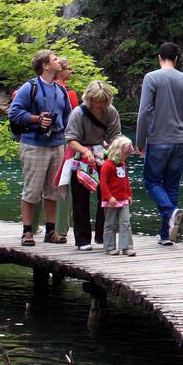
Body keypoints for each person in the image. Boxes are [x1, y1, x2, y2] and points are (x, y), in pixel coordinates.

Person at [135, 42, 183, 245]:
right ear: (177, 59)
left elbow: (144, 111)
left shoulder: (152, 78)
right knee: (171, 186)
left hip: (158, 140)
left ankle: (171, 211)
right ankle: (166, 236)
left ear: (159, 57)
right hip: (181, 141)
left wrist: (140, 141)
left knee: (152, 182)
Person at [7, 49, 72, 247]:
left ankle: (51, 231)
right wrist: (37, 119)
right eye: (54, 59)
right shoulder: (30, 88)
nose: (58, 61)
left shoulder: (61, 90)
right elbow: (14, 112)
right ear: (45, 65)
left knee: (53, 191)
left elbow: (68, 116)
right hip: (34, 144)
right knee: (32, 190)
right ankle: (27, 231)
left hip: (57, 144)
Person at [64, 80, 122, 250]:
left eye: (102, 102)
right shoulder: (78, 113)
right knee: (80, 199)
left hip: (103, 156)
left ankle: (102, 235)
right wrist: (84, 150)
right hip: (81, 157)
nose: (99, 105)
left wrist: (113, 149)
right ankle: (82, 240)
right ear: (89, 99)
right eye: (96, 102)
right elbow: (70, 139)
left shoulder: (111, 112)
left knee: (106, 196)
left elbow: (115, 135)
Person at [100, 136, 136, 256]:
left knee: (126, 223)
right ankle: (109, 247)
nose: (125, 158)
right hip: (111, 201)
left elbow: (125, 181)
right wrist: (109, 197)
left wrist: (129, 194)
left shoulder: (122, 164)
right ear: (118, 152)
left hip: (123, 199)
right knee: (110, 224)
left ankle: (126, 246)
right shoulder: (107, 165)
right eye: (125, 155)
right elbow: (103, 183)